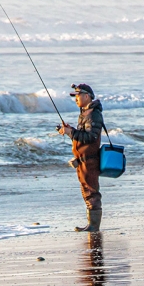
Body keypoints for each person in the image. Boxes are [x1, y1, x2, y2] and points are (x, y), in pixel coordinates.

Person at [59, 83, 104, 232]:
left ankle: (93, 226)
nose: (76, 99)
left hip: (90, 160)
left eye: (77, 96)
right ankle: (91, 224)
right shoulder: (86, 113)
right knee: (87, 191)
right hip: (84, 161)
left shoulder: (92, 114)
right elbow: (84, 135)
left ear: (86, 96)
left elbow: (91, 137)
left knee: (91, 192)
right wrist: (70, 130)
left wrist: (70, 132)